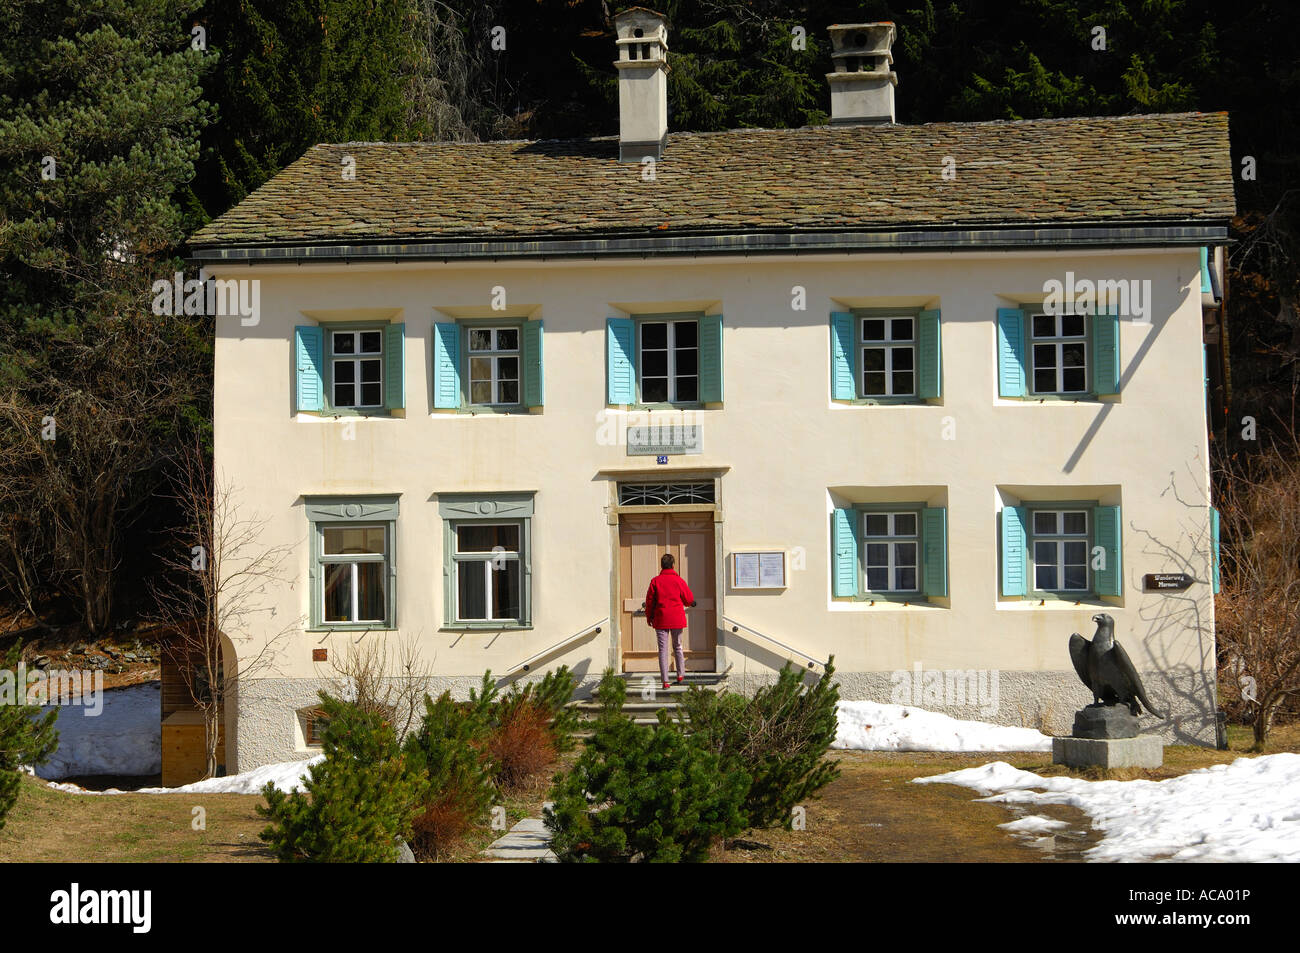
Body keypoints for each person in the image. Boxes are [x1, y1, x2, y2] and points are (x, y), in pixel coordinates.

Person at [643, 553, 696, 689]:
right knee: (677, 646)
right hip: (676, 618)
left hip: (661, 619)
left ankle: (665, 681)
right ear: (673, 565)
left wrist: (649, 617)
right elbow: (688, 598)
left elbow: (649, 602)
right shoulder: (679, 580)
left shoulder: (655, 581)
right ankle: (680, 675)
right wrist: (691, 603)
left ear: (661, 565)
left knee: (663, 649)